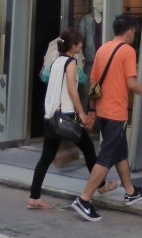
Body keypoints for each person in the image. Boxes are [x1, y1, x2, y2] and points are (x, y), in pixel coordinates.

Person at [71, 13, 142, 223]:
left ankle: (130, 191)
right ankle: (84, 199)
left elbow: (94, 82)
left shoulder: (103, 49)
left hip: (103, 112)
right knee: (106, 156)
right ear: (130, 31)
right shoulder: (128, 51)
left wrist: (93, 110)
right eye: (134, 32)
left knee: (120, 152)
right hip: (116, 113)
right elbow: (131, 83)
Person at [27, 27, 117, 211]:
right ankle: (101, 186)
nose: (82, 45)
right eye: (80, 43)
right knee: (89, 149)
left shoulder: (56, 61)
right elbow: (71, 90)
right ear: (73, 46)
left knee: (46, 158)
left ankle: (34, 197)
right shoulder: (70, 63)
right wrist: (82, 113)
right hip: (66, 116)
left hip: (51, 116)